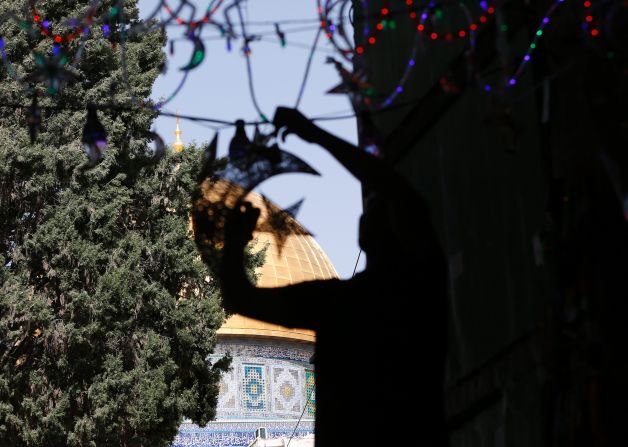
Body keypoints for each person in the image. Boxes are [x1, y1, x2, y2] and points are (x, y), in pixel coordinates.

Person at [217, 107, 448, 446]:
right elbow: (397, 191)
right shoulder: (422, 288)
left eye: (375, 207)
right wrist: (314, 135)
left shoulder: (343, 303)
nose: (367, 209)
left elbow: (238, 297)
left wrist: (236, 240)